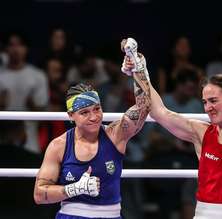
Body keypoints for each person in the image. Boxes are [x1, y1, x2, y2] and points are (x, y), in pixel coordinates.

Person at [122, 5, 222, 219]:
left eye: (213, 101)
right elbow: (159, 112)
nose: (208, 107)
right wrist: (139, 68)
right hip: (204, 213)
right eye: (204, 102)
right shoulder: (201, 133)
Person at [33, 38, 151, 219]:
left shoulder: (114, 134)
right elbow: (40, 195)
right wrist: (75, 188)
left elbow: (143, 108)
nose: (94, 117)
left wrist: (137, 67)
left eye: (97, 109)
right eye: (85, 112)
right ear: (71, 116)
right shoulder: (59, 145)